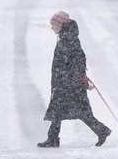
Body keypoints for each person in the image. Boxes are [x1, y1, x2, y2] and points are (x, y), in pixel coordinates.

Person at [37, 11, 112, 148]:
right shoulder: (67, 37)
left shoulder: (67, 39)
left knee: (68, 111)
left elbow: (77, 61)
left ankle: (101, 131)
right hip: (69, 83)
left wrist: (69, 80)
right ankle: (53, 138)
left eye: (53, 25)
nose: (51, 28)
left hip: (69, 84)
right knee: (60, 111)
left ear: (60, 25)